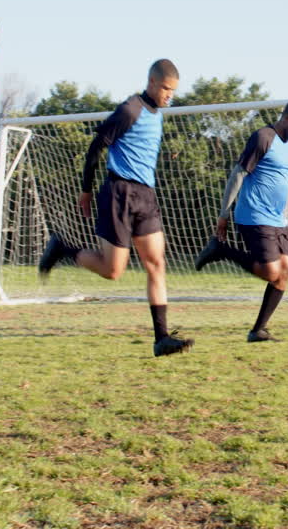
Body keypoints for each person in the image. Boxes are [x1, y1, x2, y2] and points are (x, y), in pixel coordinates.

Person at [36, 59, 193, 358]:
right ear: (151, 82)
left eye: (173, 91)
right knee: (113, 271)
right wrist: (86, 189)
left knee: (156, 263)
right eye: (165, 88)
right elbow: (96, 146)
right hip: (118, 193)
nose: (169, 95)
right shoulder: (130, 110)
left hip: (145, 196)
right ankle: (62, 250)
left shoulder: (157, 113)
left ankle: (161, 338)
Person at [193, 99, 288, 342]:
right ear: (287, 118)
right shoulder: (263, 137)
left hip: (279, 220)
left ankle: (258, 330)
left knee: (285, 273)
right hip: (254, 214)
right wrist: (223, 215)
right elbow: (238, 174)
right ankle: (221, 250)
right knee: (271, 271)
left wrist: (286, 219)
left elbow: (285, 185)